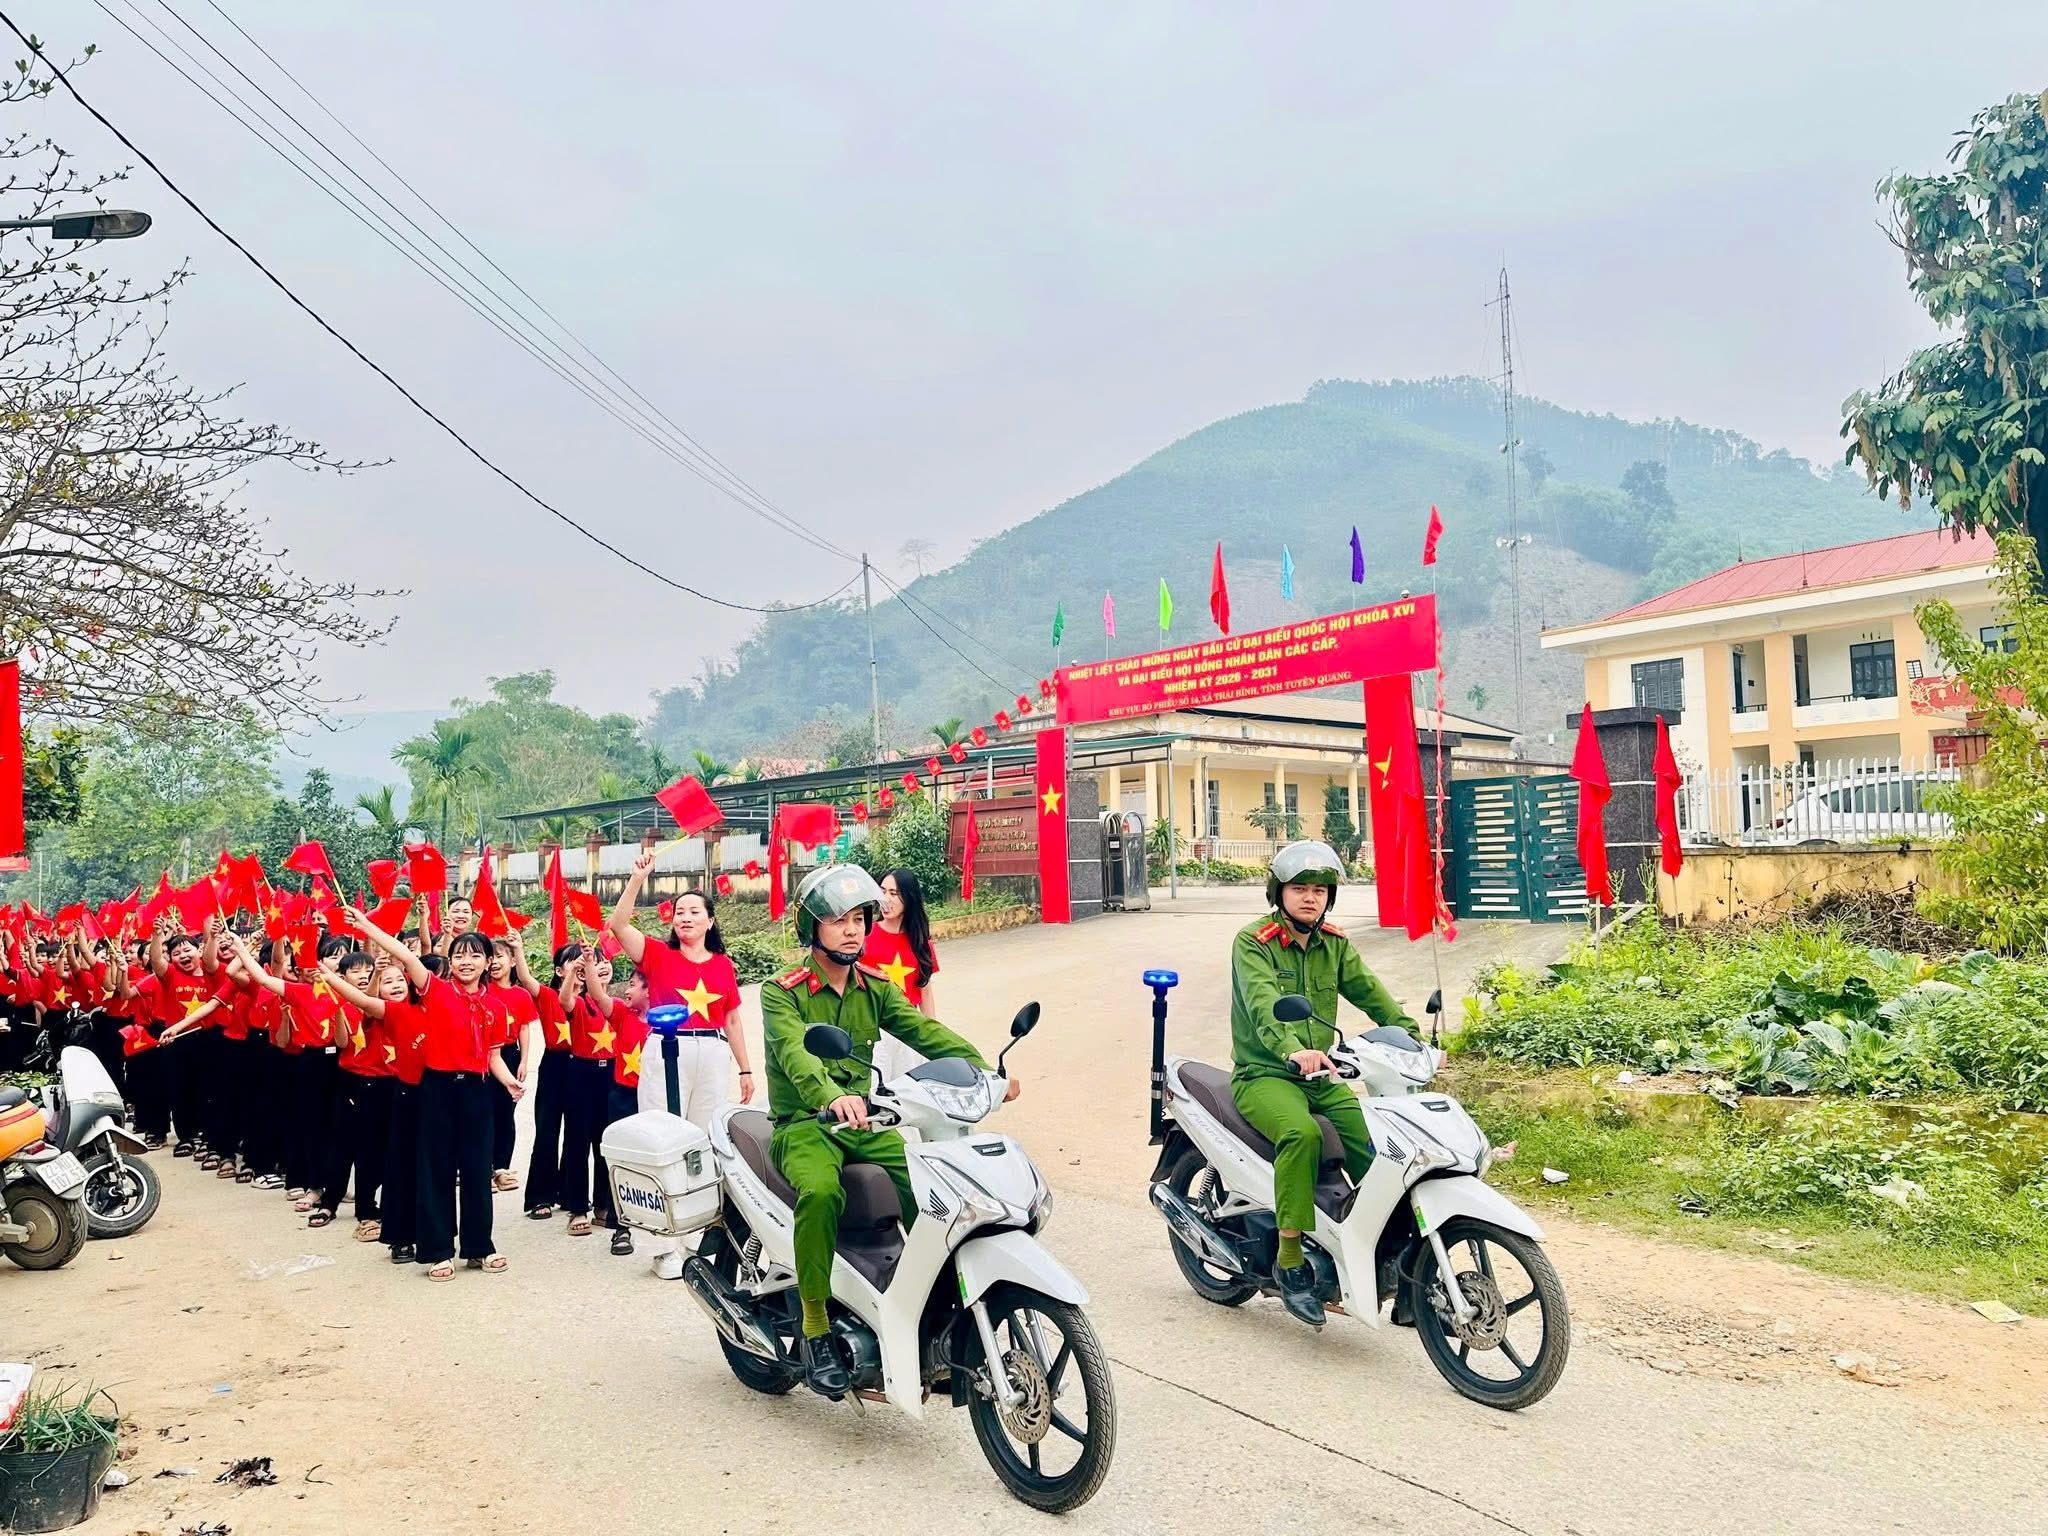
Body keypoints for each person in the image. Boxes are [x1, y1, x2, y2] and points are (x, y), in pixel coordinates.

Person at [763, 865, 1016, 1398]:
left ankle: (930, 1309)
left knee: (937, 1188)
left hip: (867, 1122)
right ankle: (815, 1328)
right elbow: (795, 1056)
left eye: (859, 918)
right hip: (807, 1124)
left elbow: (925, 1031)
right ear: (812, 928)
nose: (852, 929)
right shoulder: (781, 993)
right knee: (821, 1191)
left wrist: (986, 1073)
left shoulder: (874, 987)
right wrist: (832, 1096)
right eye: (837, 920)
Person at [1229, 839, 1411, 1329]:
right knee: (1302, 1135)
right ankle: (1289, 1263)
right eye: (1300, 888)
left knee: (1380, 1151)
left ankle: (1399, 1259)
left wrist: (1410, 1033)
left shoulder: (1334, 943)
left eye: (1319, 890)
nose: (1310, 897)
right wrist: (1292, 1048)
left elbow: (1371, 992)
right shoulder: (1253, 942)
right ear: (1280, 892)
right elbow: (1264, 1004)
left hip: (1323, 1074)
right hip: (1265, 1073)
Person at [346, 916, 510, 1280]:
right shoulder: (435, 990)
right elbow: (404, 954)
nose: (466, 962)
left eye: (475, 956)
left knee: (476, 1169)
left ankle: (479, 1247)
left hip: (478, 1090)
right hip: (437, 1088)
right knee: (435, 1169)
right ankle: (438, 1250)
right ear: (450, 962)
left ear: (487, 962)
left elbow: (494, 1056)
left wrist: (510, 1082)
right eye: (459, 956)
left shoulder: (496, 1007)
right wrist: (368, 927)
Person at [606, 855, 755, 1121]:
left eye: (694, 912)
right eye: (680, 912)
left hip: (712, 1051)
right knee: (663, 1128)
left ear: (710, 921)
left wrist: (745, 1070)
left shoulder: (723, 965)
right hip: (667, 1047)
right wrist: (637, 878)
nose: (685, 918)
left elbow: (731, 1020)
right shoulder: (657, 954)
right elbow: (619, 925)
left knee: (706, 1131)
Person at [863, 868, 940, 1081]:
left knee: (910, 1093)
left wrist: (933, 1036)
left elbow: (925, 992)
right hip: (875, 1032)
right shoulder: (865, 936)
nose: (886, 899)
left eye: (894, 893)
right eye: (882, 891)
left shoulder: (920, 942)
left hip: (910, 1030)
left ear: (909, 897)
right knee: (875, 1094)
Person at [484, 939, 540, 1192]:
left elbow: (525, 1028)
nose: (495, 962)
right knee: (484, 1113)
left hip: (509, 1054)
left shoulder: (521, 994)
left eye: (499, 956)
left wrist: (525, 1060)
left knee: (506, 1114)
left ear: (513, 961)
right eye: (491, 957)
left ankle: (501, 1168)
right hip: (483, 1056)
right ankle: (483, 1169)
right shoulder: (482, 989)